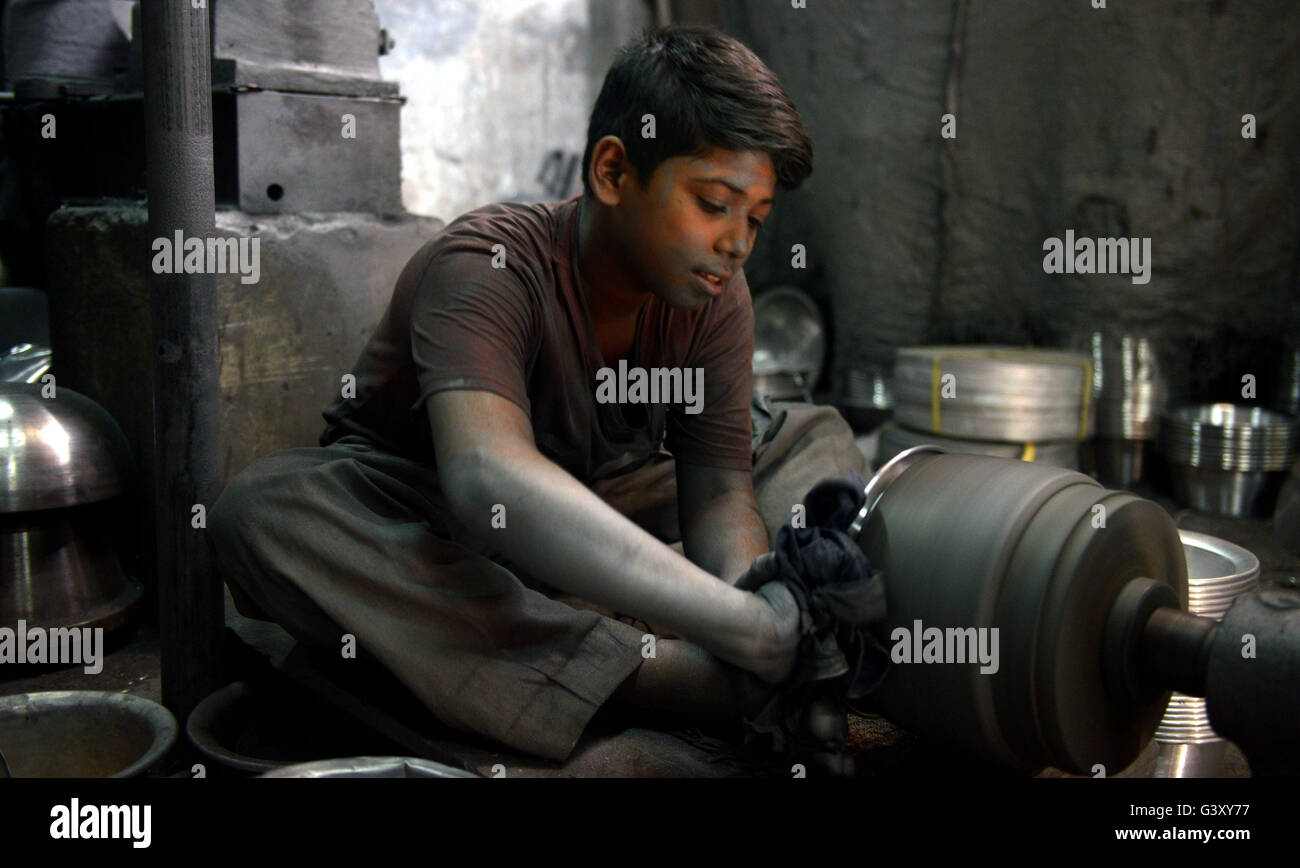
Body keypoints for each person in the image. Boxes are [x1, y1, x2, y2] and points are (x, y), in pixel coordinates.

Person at [208, 23, 868, 770]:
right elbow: (490, 480)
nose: (737, 242)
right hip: (442, 525)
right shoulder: (485, 265)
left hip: (599, 502)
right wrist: (743, 628)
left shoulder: (716, 295)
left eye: (755, 217)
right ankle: (673, 681)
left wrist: (753, 592)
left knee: (811, 441)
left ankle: (733, 664)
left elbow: (717, 495)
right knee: (261, 514)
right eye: (714, 204)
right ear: (614, 172)